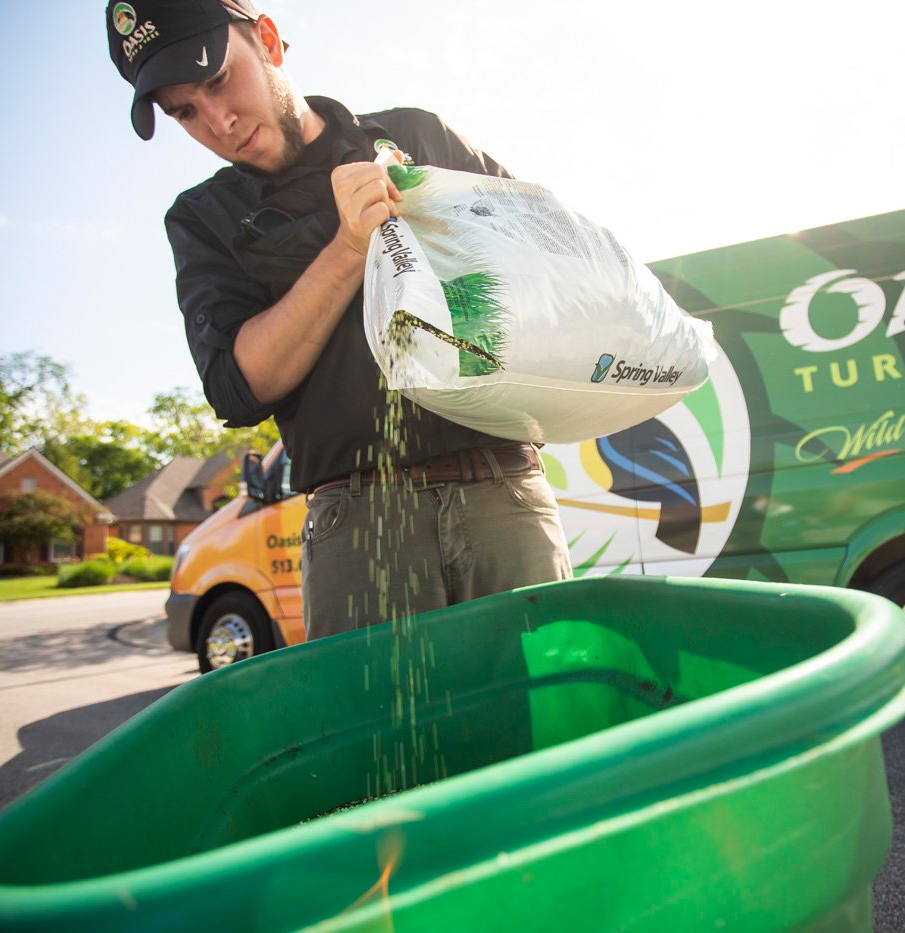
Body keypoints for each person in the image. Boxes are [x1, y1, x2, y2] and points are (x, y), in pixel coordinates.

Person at [106, 0, 571, 639]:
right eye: (184, 111)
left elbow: (547, 262)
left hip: (503, 491)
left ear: (268, 39)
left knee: (545, 720)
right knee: (382, 739)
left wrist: (449, 233)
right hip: (359, 523)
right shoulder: (202, 218)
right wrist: (350, 249)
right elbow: (239, 387)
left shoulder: (417, 133)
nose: (218, 120)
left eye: (216, 81)